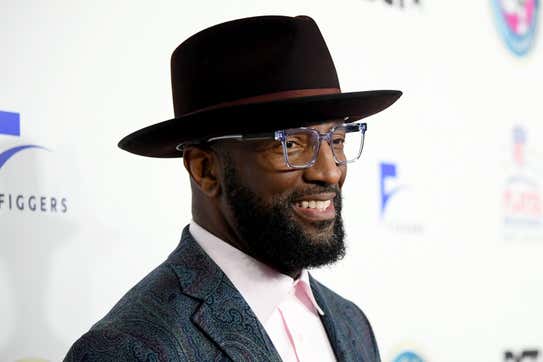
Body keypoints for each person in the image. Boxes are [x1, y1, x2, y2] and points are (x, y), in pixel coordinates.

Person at [65, 15, 401, 362]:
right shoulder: (130, 349)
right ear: (205, 168)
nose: (330, 171)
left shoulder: (351, 324)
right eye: (293, 144)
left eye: (337, 140)